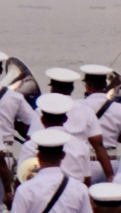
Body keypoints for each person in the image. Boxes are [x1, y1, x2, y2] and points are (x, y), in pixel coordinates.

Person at [33, 68, 112, 183]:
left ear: (52, 88)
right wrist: (110, 175)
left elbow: (32, 139)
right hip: (79, 161)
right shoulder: (86, 110)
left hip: (49, 162)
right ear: (72, 88)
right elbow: (98, 145)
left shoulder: (41, 110)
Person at [18, 94, 93, 185]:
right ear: (65, 119)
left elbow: (22, 178)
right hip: (72, 195)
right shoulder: (81, 146)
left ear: (42, 119)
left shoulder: (30, 146)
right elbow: (87, 181)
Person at [79, 65, 121, 185]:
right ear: (105, 86)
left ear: (87, 85)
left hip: (87, 162)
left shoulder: (78, 106)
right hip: (112, 162)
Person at [0, 54, 36, 205]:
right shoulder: (15, 97)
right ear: (1, 70)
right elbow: (35, 127)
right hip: (5, 156)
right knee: (3, 207)